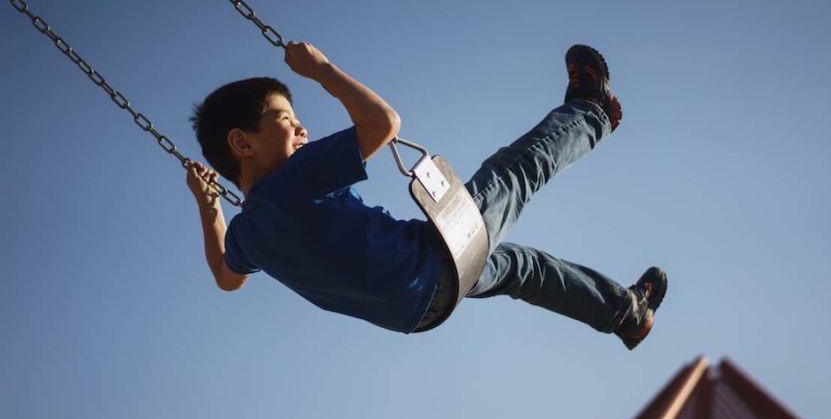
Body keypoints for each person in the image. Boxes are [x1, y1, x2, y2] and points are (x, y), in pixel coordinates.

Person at [186, 42, 666, 350]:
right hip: (430, 263)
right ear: (242, 143)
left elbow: (226, 278)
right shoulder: (294, 180)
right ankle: (591, 112)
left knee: (524, 269)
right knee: (513, 174)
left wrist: (210, 210)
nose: (300, 126)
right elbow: (382, 124)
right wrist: (322, 70)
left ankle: (626, 313)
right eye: (284, 118)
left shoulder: (247, 233)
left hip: (417, 310)